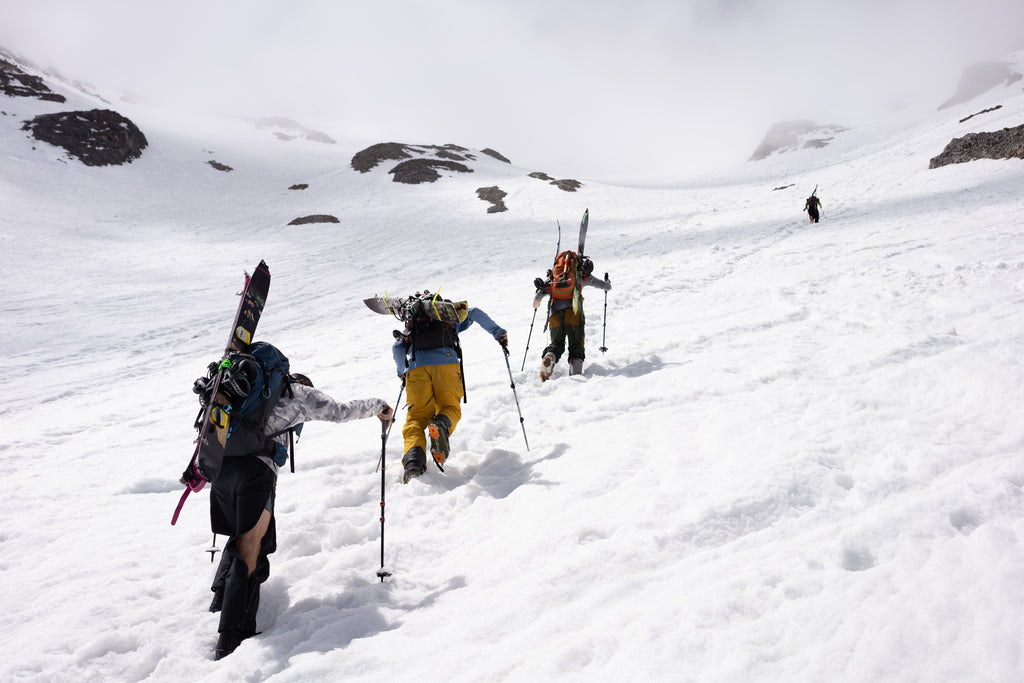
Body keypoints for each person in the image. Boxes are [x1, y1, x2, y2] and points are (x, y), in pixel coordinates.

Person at [205, 364, 392, 660]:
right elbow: (341, 411)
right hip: (256, 469)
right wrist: (378, 406)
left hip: (221, 467)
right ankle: (231, 639)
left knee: (242, 535)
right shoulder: (299, 393)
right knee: (250, 546)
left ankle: (220, 600)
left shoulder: (245, 394)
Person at [391, 292, 507, 483]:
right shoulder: (448, 319)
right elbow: (475, 312)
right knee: (450, 408)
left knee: (416, 419)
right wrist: (498, 332)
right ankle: (441, 424)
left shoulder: (413, 326)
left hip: (417, 369)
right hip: (447, 365)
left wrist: (402, 372)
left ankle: (413, 464)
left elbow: (397, 348)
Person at [533, 253, 611, 381]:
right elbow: (606, 286)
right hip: (574, 314)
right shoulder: (581, 276)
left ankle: (549, 357)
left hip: (555, 316)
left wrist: (541, 291)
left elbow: (536, 302)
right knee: (576, 347)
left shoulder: (554, 279)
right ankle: (575, 376)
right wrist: (607, 283)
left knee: (556, 344)